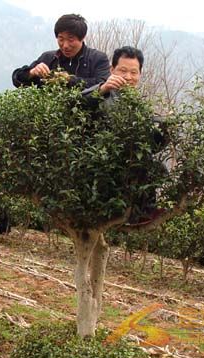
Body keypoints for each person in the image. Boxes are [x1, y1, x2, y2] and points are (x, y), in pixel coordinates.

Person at [82, 46, 168, 225]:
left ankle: (141, 213)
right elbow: (77, 103)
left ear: (140, 74)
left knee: (156, 168)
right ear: (112, 70)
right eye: (122, 71)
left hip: (127, 166)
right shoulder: (102, 94)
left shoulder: (138, 105)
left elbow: (152, 146)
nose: (128, 77)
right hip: (98, 163)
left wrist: (166, 129)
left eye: (133, 72)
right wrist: (102, 88)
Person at [12, 14, 109, 89]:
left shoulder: (98, 58)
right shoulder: (48, 58)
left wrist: (69, 79)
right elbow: (17, 79)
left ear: (82, 38)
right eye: (61, 39)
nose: (65, 45)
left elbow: (103, 85)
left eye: (71, 40)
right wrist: (31, 72)